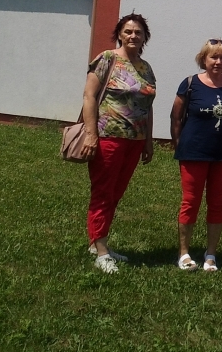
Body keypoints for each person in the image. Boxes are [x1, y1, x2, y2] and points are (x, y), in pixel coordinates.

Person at [81, 14, 157, 274]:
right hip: (108, 137)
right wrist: (91, 134)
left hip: (135, 140)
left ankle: (98, 242)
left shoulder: (146, 68)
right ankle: (101, 252)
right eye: (128, 31)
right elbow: (89, 96)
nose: (133, 36)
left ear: (145, 37)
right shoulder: (107, 59)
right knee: (103, 192)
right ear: (120, 35)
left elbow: (147, 106)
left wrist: (148, 141)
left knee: (115, 193)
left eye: (138, 32)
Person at [171, 39, 222, 272]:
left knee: (218, 203)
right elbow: (176, 116)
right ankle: (184, 253)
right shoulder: (190, 84)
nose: (218, 62)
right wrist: (179, 143)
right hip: (193, 152)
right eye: (213, 57)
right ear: (204, 59)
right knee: (190, 202)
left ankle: (210, 254)